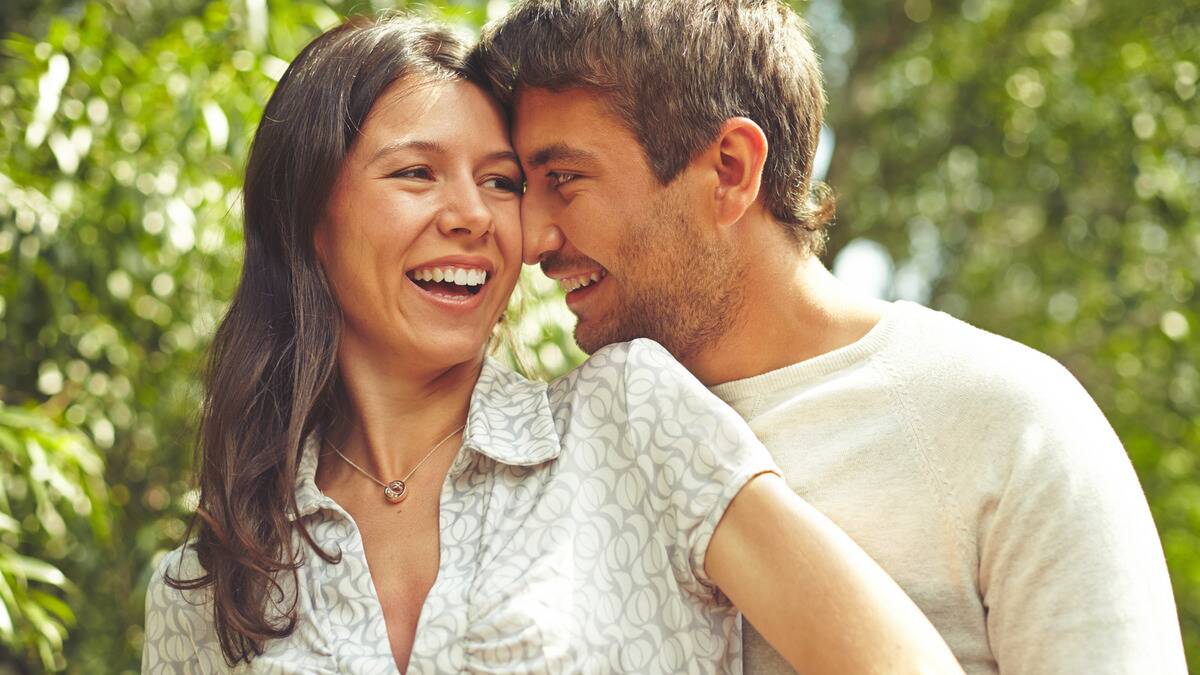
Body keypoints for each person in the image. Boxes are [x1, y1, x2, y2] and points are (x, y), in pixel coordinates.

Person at [141, 13, 964, 675]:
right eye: (416, 173)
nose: (476, 215)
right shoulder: (206, 583)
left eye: (502, 182)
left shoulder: (630, 417)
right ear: (311, 221)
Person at [473, 1, 1188, 674]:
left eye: (564, 178)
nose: (534, 238)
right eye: (520, 188)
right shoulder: (550, 450)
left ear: (730, 169)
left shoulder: (1007, 422)